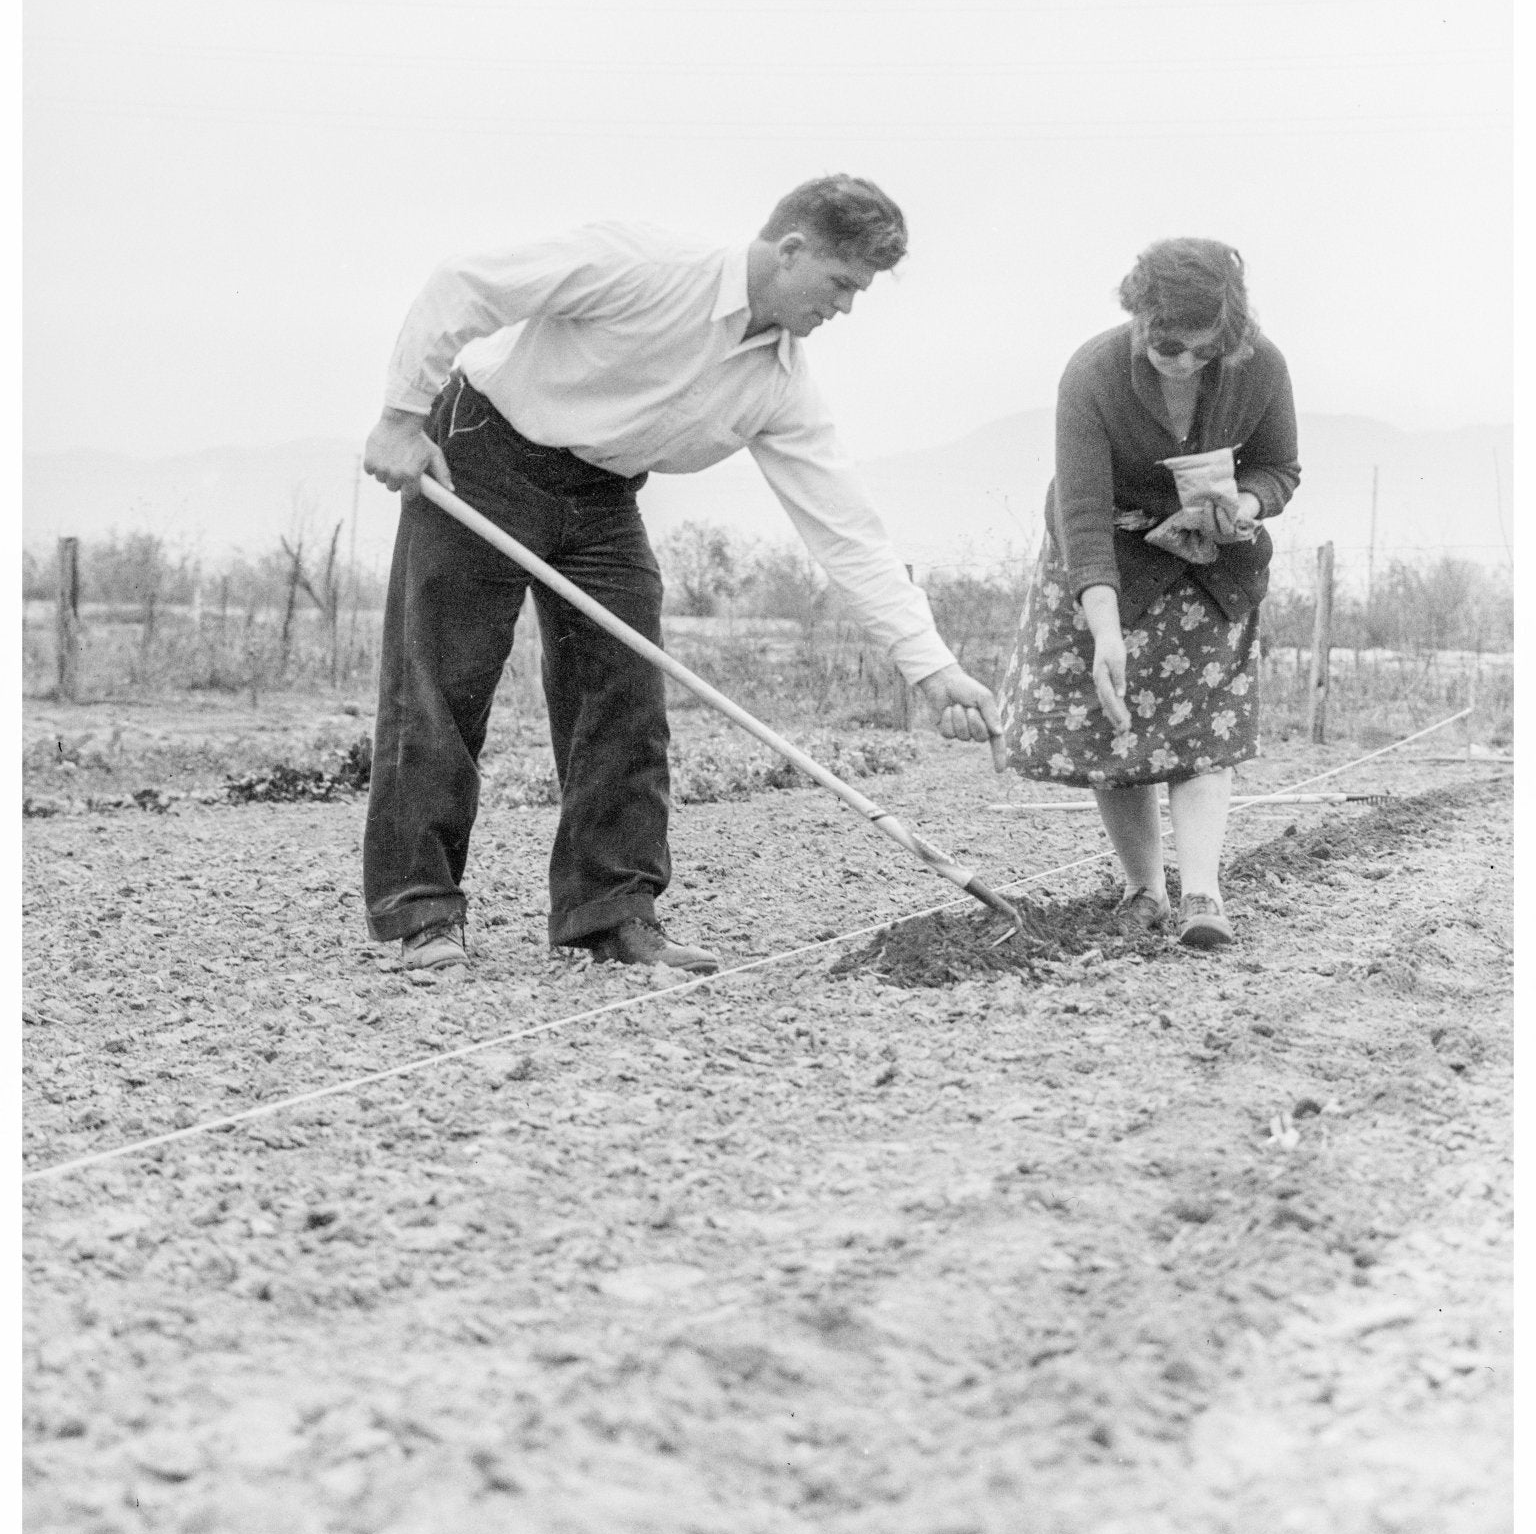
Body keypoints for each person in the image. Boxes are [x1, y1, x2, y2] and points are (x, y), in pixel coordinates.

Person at [362, 175, 1005, 979]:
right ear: (792, 250)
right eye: (842, 283)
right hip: (483, 451)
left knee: (626, 695)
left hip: (601, 495)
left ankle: (614, 915)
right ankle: (422, 912)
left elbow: (845, 530)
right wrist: (399, 416)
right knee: (441, 685)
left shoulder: (781, 383)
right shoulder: (644, 264)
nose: (845, 308)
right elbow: (467, 284)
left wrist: (933, 666)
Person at [999, 238, 1299, 949]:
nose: (1187, 361)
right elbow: (1081, 512)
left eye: (1204, 350)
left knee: (1203, 729)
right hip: (1110, 557)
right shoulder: (1093, 373)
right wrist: (1102, 627)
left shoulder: (1263, 366)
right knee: (1118, 722)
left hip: (1207, 563)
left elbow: (1279, 469)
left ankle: (1202, 896)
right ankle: (1143, 889)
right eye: (1170, 347)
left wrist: (1243, 507)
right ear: (1137, 316)